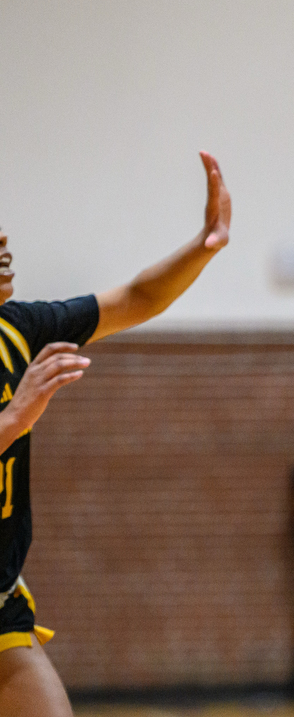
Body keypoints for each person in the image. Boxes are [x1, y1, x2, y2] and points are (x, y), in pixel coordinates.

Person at [0, 152, 231, 717]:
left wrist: (204, 245)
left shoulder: (17, 329)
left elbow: (136, 298)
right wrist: (13, 418)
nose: (4, 238)